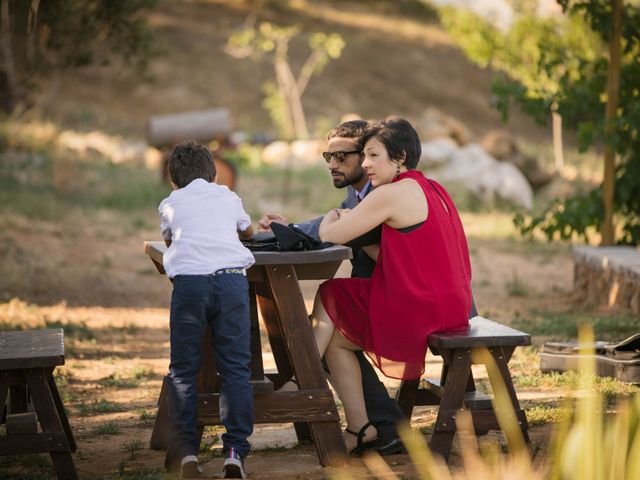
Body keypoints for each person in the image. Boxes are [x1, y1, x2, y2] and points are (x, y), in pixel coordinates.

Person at [313, 118, 472, 454]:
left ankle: (306, 378)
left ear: (399, 156)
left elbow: (330, 236)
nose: (366, 164)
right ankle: (360, 427)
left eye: (373, 155)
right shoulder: (432, 187)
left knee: (330, 293)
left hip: (421, 308)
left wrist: (332, 215)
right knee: (336, 338)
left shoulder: (390, 193)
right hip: (452, 306)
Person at [258, 120, 406, 455]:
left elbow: (333, 229)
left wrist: (290, 232)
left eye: (342, 156)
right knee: (328, 330)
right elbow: (327, 223)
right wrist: (282, 229)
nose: (332, 164)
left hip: (404, 304)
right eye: (328, 156)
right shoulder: (360, 197)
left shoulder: (384, 195)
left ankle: (307, 382)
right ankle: (376, 427)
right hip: (377, 298)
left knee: (328, 320)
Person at [158, 140, 254, 479]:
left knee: (183, 371)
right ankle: (234, 453)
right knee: (236, 369)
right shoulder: (228, 196)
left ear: (172, 179)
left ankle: (186, 455)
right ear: (214, 174)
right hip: (230, 283)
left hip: (190, 288)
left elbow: (170, 239)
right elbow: (248, 230)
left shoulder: (169, 203)